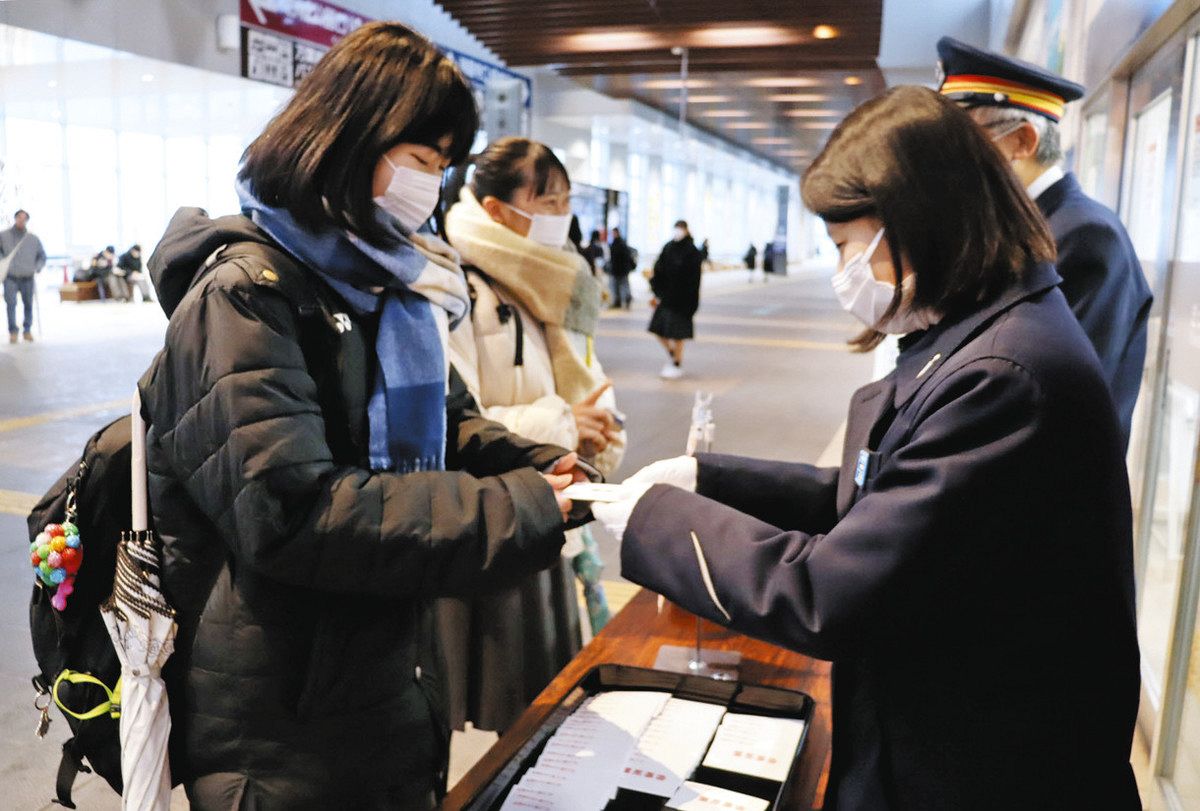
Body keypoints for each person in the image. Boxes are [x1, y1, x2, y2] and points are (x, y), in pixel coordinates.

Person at [595, 86, 1139, 809]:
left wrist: (653, 519)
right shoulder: (979, 329)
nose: (841, 270)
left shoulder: (1006, 373)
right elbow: (877, 489)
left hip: (980, 768)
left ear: (919, 220)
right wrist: (707, 475)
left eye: (849, 245)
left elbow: (830, 594)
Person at [139, 23, 588, 809]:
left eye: (445, 165)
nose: (434, 184)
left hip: (382, 678)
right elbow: (291, 512)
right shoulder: (245, 296)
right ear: (348, 139)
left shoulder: (379, 289)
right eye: (422, 159)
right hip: (282, 727)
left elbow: (451, 423)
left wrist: (534, 462)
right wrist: (514, 507)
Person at [441, 136, 625, 732]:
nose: (559, 217)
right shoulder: (459, 287)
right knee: (513, 697)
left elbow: (584, 371)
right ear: (495, 209)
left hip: (556, 503)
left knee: (553, 687)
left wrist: (599, 422)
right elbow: (457, 418)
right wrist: (563, 423)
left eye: (565, 202)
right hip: (501, 512)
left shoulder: (554, 280)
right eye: (546, 202)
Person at [938, 36, 1152, 449]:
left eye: (960, 143)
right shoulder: (1022, 226)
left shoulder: (1086, 236)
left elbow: (1048, 394)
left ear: (1022, 142)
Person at [648, 219, 703, 379]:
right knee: (658, 329)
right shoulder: (668, 247)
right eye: (676, 228)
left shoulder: (692, 252)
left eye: (680, 228)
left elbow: (695, 280)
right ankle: (673, 355)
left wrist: (692, 302)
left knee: (678, 335)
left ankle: (677, 362)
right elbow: (658, 270)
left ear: (686, 230)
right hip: (666, 298)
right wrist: (656, 291)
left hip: (684, 301)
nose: (678, 231)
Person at [1, 209, 46, 342]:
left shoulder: (33, 239)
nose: (21, 220)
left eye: (24, 218)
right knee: (10, 304)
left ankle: (27, 329)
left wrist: (37, 267)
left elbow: (42, 256)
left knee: (28, 304)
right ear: (15, 219)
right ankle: (13, 331)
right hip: (10, 277)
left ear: (27, 220)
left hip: (28, 277)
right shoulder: (3, 236)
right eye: (19, 218)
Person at [608, 226, 636, 309]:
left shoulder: (619, 243)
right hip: (619, 269)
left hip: (621, 269)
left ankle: (625, 299)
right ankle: (619, 301)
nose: (612, 235)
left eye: (613, 233)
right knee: (619, 285)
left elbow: (622, 257)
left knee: (622, 285)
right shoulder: (618, 243)